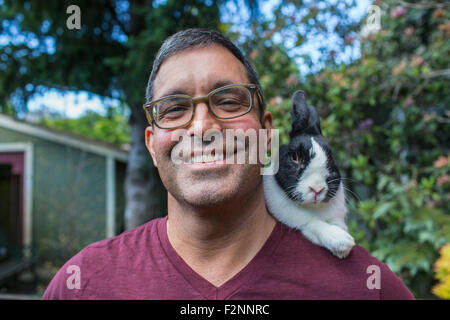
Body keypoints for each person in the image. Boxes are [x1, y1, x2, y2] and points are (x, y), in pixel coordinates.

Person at [42, 28, 414, 300]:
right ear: (153, 145)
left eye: (230, 102)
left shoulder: (363, 286)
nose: (203, 127)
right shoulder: (83, 283)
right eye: (174, 109)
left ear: (268, 135)